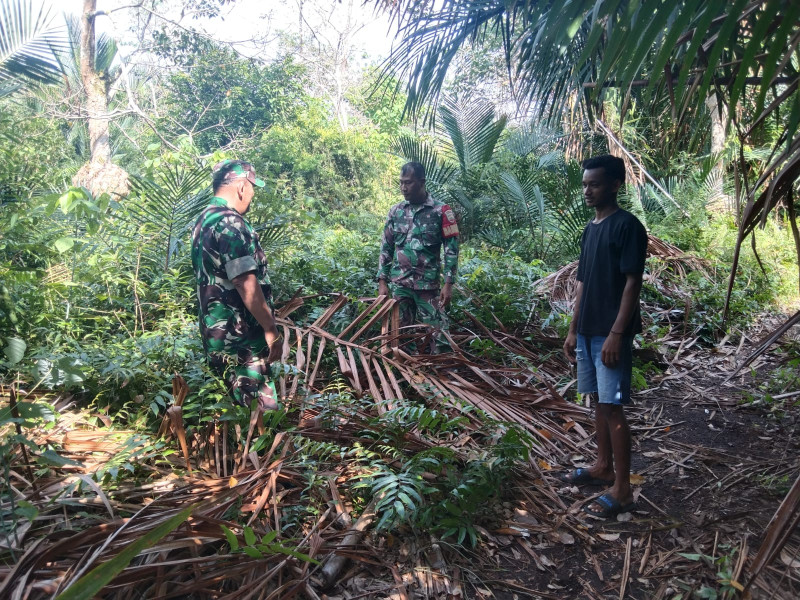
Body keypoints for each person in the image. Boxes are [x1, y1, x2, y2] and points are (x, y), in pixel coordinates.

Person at [561, 154, 648, 519]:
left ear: (615, 184)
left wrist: (616, 333)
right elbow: (581, 281)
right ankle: (602, 468)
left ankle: (623, 489)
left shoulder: (628, 227)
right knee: (597, 399)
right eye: (584, 184)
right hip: (587, 330)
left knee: (612, 407)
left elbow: (632, 283)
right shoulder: (591, 228)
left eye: (594, 184)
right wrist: (572, 327)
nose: (587, 191)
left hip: (611, 333)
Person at [191, 159, 282, 414]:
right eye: (253, 188)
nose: (252, 196)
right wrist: (270, 327)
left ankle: (235, 451)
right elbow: (244, 282)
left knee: (231, 408)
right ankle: (264, 453)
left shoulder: (203, 221)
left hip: (215, 334)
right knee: (261, 413)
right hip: (240, 335)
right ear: (242, 187)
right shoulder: (231, 223)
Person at [378, 162, 459, 354]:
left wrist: (448, 284)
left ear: (422, 182)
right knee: (399, 334)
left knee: (439, 335)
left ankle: (445, 371)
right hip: (401, 284)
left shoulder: (442, 211)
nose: (403, 188)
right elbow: (386, 246)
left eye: (409, 183)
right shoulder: (396, 211)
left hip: (428, 287)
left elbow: (452, 249)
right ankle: (407, 373)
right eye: (401, 183)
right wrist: (382, 281)